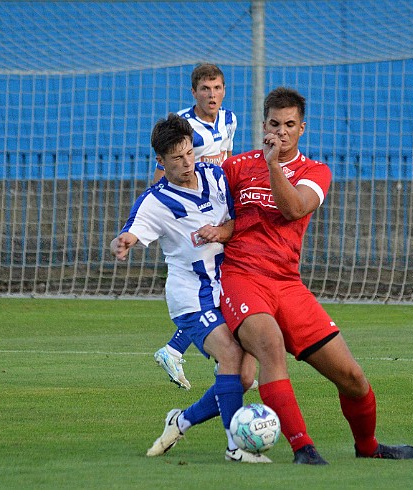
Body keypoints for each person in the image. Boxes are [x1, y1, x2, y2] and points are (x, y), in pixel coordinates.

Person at [218, 86, 413, 463]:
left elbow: (295, 209)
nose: (281, 131)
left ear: (302, 129)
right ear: (263, 124)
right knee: (270, 347)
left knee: (353, 378)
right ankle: (305, 449)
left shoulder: (315, 171)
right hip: (241, 277)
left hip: (287, 284)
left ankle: (369, 449)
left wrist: (273, 166)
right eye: (274, 123)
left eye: (290, 125)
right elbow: (205, 208)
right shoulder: (234, 168)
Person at [111, 113, 267, 463]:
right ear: (160, 162)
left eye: (189, 153)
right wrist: (124, 242)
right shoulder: (155, 200)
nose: (186, 163)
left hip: (228, 288)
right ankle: (236, 448)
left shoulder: (215, 176)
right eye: (177, 158)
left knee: (243, 377)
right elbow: (133, 230)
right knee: (229, 355)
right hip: (190, 297)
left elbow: (238, 219)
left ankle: (180, 420)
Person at [151, 63, 239, 391]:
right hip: (191, 214)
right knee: (214, 283)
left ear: (224, 89)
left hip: (216, 206)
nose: (211, 94)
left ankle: (178, 350)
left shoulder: (230, 119)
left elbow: (226, 162)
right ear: (194, 92)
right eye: (205, 89)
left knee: (221, 284)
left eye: (216, 88)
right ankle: (225, 363)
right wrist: (161, 212)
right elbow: (164, 173)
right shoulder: (182, 125)